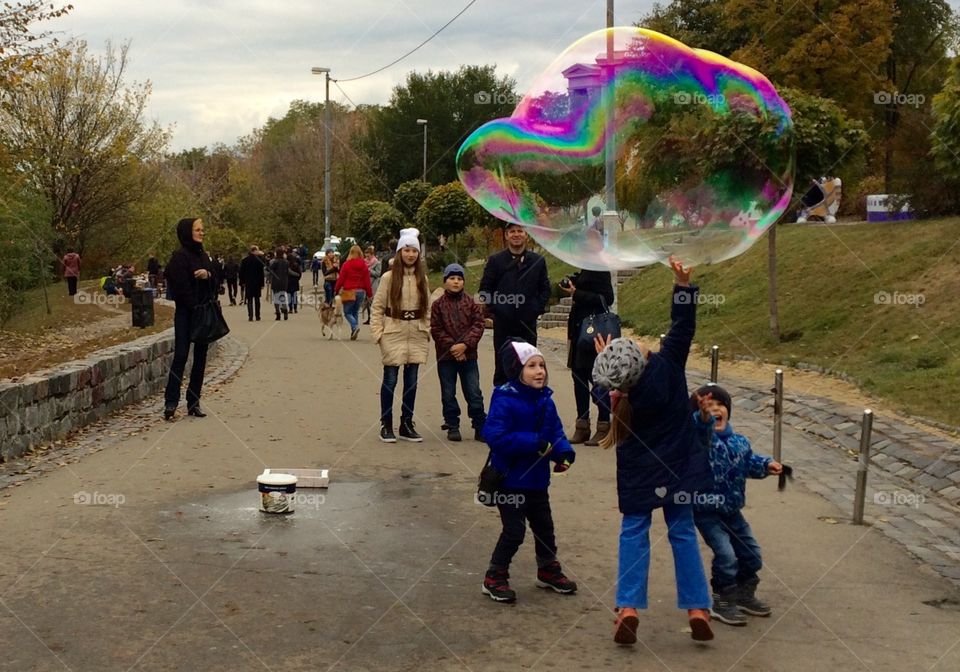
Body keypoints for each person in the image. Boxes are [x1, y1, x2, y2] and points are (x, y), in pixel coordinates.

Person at [591, 256, 714, 645]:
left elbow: (599, 386)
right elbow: (683, 326)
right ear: (643, 357)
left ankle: (627, 607)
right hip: (679, 465)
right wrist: (682, 285)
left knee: (633, 533)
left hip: (639, 473)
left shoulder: (617, 396)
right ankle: (697, 607)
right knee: (682, 533)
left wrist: (603, 359)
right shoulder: (669, 367)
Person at [481, 339, 577, 603]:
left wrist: (564, 453)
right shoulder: (505, 398)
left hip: (537, 481)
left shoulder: (546, 400)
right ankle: (495, 576)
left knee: (545, 527)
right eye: (531, 366)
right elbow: (495, 436)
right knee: (514, 532)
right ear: (516, 370)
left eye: (542, 365)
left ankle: (548, 569)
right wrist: (534, 443)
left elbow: (555, 432)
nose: (539, 371)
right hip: (509, 480)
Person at [691, 384, 782, 626]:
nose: (716, 410)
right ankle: (722, 599)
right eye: (710, 407)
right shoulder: (700, 441)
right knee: (726, 555)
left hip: (733, 511)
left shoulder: (740, 442)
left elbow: (749, 462)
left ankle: (744, 594)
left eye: (720, 406)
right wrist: (702, 417)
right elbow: (701, 429)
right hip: (706, 511)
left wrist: (766, 465)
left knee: (752, 554)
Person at [370, 228, 430, 443]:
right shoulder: (388, 278)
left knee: (412, 381)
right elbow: (377, 307)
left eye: (414, 250)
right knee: (390, 379)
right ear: (399, 252)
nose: (410, 254)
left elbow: (428, 306)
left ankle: (407, 422)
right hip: (393, 331)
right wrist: (379, 334)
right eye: (406, 250)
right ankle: (386, 423)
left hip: (416, 332)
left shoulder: (421, 278)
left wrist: (427, 329)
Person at [478, 222, 551, 386]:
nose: (516, 234)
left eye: (520, 231)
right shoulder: (495, 261)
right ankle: (503, 407)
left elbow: (545, 289)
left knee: (529, 366)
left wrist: (535, 309)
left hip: (528, 325)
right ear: (506, 235)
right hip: (504, 326)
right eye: (512, 231)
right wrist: (499, 309)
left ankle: (528, 408)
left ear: (526, 235)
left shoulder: (537, 261)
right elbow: (485, 290)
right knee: (503, 368)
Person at [162, 218, 215, 420]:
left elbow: (216, 278)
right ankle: (171, 401)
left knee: (200, 358)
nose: (202, 233)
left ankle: (193, 401)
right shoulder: (180, 257)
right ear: (187, 232)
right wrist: (193, 302)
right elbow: (177, 285)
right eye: (198, 230)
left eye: (203, 229)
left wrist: (207, 274)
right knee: (181, 356)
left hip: (202, 313)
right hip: (186, 313)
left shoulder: (203, 255)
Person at [429, 263, 486, 442]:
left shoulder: (471, 303)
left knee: (473, 391)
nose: (456, 282)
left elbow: (478, 325)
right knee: (448, 391)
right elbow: (436, 329)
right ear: (445, 281)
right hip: (447, 356)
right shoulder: (438, 305)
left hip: (469, 356)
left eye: (459, 279)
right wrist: (453, 347)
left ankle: (479, 424)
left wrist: (465, 345)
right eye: (452, 278)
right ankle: (452, 424)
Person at [562, 270, 614, 446]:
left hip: (594, 332)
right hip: (579, 331)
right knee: (578, 377)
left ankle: (604, 425)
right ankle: (582, 426)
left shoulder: (600, 268)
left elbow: (607, 299)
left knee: (597, 378)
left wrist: (578, 294)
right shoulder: (585, 265)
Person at [334, 244, 373, 340]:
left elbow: (341, 279)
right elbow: (367, 281)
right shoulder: (364, 265)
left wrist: (336, 289)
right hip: (361, 291)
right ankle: (353, 331)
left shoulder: (346, 265)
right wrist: (369, 294)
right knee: (355, 311)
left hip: (349, 291)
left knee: (347, 312)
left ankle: (355, 326)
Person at [239, 246, 265, 321]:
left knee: (249, 300)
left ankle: (250, 316)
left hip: (248, 283)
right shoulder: (259, 261)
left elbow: (241, 272)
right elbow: (261, 273)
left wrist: (242, 282)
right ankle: (258, 316)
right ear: (254, 251)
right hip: (257, 283)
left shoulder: (245, 260)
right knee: (257, 300)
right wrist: (262, 284)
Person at [269, 247, 290, 320]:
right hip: (284, 282)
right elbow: (287, 272)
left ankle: (278, 313)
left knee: (276, 298)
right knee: (282, 297)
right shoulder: (286, 262)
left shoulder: (275, 262)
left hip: (276, 281)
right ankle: (285, 310)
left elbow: (270, 269)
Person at [363, 246, 382, 325]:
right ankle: (369, 318)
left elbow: (378, 274)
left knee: (372, 302)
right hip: (365, 283)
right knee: (367, 302)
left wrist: (370, 270)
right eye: (366, 256)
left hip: (373, 284)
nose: (367, 258)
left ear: (372, 255)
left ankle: (374, 318)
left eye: (368, 256)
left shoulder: (377, 263)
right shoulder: (364, 262)